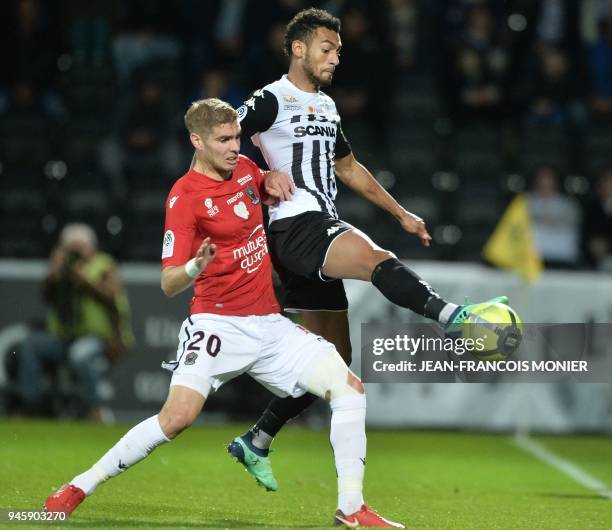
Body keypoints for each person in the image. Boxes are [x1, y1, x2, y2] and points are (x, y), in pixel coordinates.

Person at [44, 98, 405, 528]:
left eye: (237, 136)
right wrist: (196, 265)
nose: (235, 146)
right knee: (176, 419)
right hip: (217, 324)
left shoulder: (247, 170)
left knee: (349, 389)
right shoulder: (184, 197)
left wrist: (272, 176)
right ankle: (79, 486)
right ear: (196, 140)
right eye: (223, 140)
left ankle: (351, 508)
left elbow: (263, 181)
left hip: (270, 326)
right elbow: (167, 282)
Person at [227, 7, 507, 489]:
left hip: (313, 230)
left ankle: (257, 438)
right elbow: (219, 141)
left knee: (335, 359)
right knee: (378, 260)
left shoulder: (327, 107)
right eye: (327, 49)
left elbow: (349, 168)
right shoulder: (270, 99)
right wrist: (260, 176)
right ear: (298, 48)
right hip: (297, 227)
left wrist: (401, 213)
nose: (335, 58)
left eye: (338, 51)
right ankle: (454, 319)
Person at [15, 223, 133, 419]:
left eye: (80, 247)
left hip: (98, 337)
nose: (75, 253)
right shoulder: (61, 269)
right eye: (71, 248)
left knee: (80, 355)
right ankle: (30, 406)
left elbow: (111, 297)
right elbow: (46, 297)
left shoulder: (103, 265)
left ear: (91, 246)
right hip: (62, 336)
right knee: (30, 346)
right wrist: (54, 274)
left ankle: (94, 410)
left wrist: (84, 280)